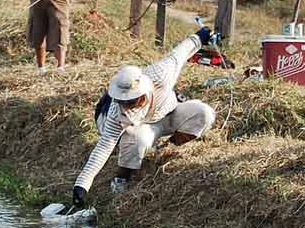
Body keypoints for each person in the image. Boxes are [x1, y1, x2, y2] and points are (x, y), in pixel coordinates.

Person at [71, 29, 217, 205]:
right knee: (135, 137)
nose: (125, 105)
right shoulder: (117, 110)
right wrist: (81, 186)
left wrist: (201, 35)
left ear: (141, 94)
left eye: (130, 101)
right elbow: (103, 147)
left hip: (168, 114)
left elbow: (180, 52)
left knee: (204, 113)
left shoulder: (161, 74)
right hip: (143, 128)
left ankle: (166, 149)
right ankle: (121, 180)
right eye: (121, 100)